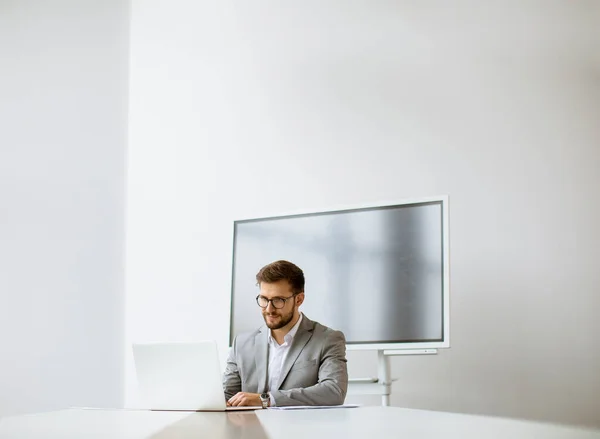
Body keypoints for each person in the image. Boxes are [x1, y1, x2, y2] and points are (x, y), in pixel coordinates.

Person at [223, 260, 348, 407]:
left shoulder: (327, 339)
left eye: (278, 300)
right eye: (264, 299)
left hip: (301, 428)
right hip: (250, 428)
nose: (269, 309)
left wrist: (266, 399)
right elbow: (227, 396)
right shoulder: (242, 343)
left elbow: (334, 392)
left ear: (299, 299)